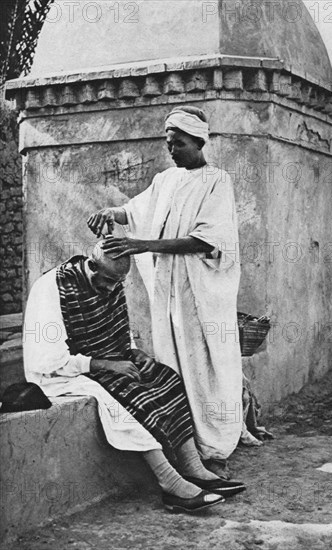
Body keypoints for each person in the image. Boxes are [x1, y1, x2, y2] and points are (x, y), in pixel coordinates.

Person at [23, 242, 245, 513]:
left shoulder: (111, 281)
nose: (111, 289)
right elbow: (46, 359)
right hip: (64, 371)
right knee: (130, 396)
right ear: (91, 266)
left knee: (166, 379)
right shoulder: (51, 288)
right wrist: (103, 364)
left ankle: (192, 468)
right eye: (107, 281)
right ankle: (171, 484)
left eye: (117, 283)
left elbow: (119, 329)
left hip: (109, 360)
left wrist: (134, 353)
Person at [87, 106, 242, 475]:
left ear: (200, 142)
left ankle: (216, 448)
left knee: (207, 363)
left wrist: (144, 245)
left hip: (201, 293)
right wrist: (111, 212)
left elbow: (206, 241)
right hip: (168, 292)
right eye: (168, 143)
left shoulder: (217, 181)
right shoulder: (166, 179)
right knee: (173, 363)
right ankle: (183, 445)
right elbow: (135, 210)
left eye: (180, 144)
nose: (172, 150)